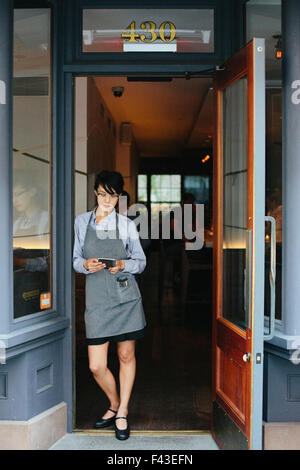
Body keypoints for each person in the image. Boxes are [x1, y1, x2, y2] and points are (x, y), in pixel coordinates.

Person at [73, 170, 147, 441]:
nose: (107, 200)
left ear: (119, 197)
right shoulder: (81, 222)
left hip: (125, 298)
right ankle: (114, 403)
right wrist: (84, 265)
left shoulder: (126, 225)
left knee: (126, 356)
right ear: (95, 192)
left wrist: (122, 264)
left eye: (113, 196)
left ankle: (123, 411)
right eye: (103, 194)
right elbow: (75, 259)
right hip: (97, 299)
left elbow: (140, 262)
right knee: (96, 365)